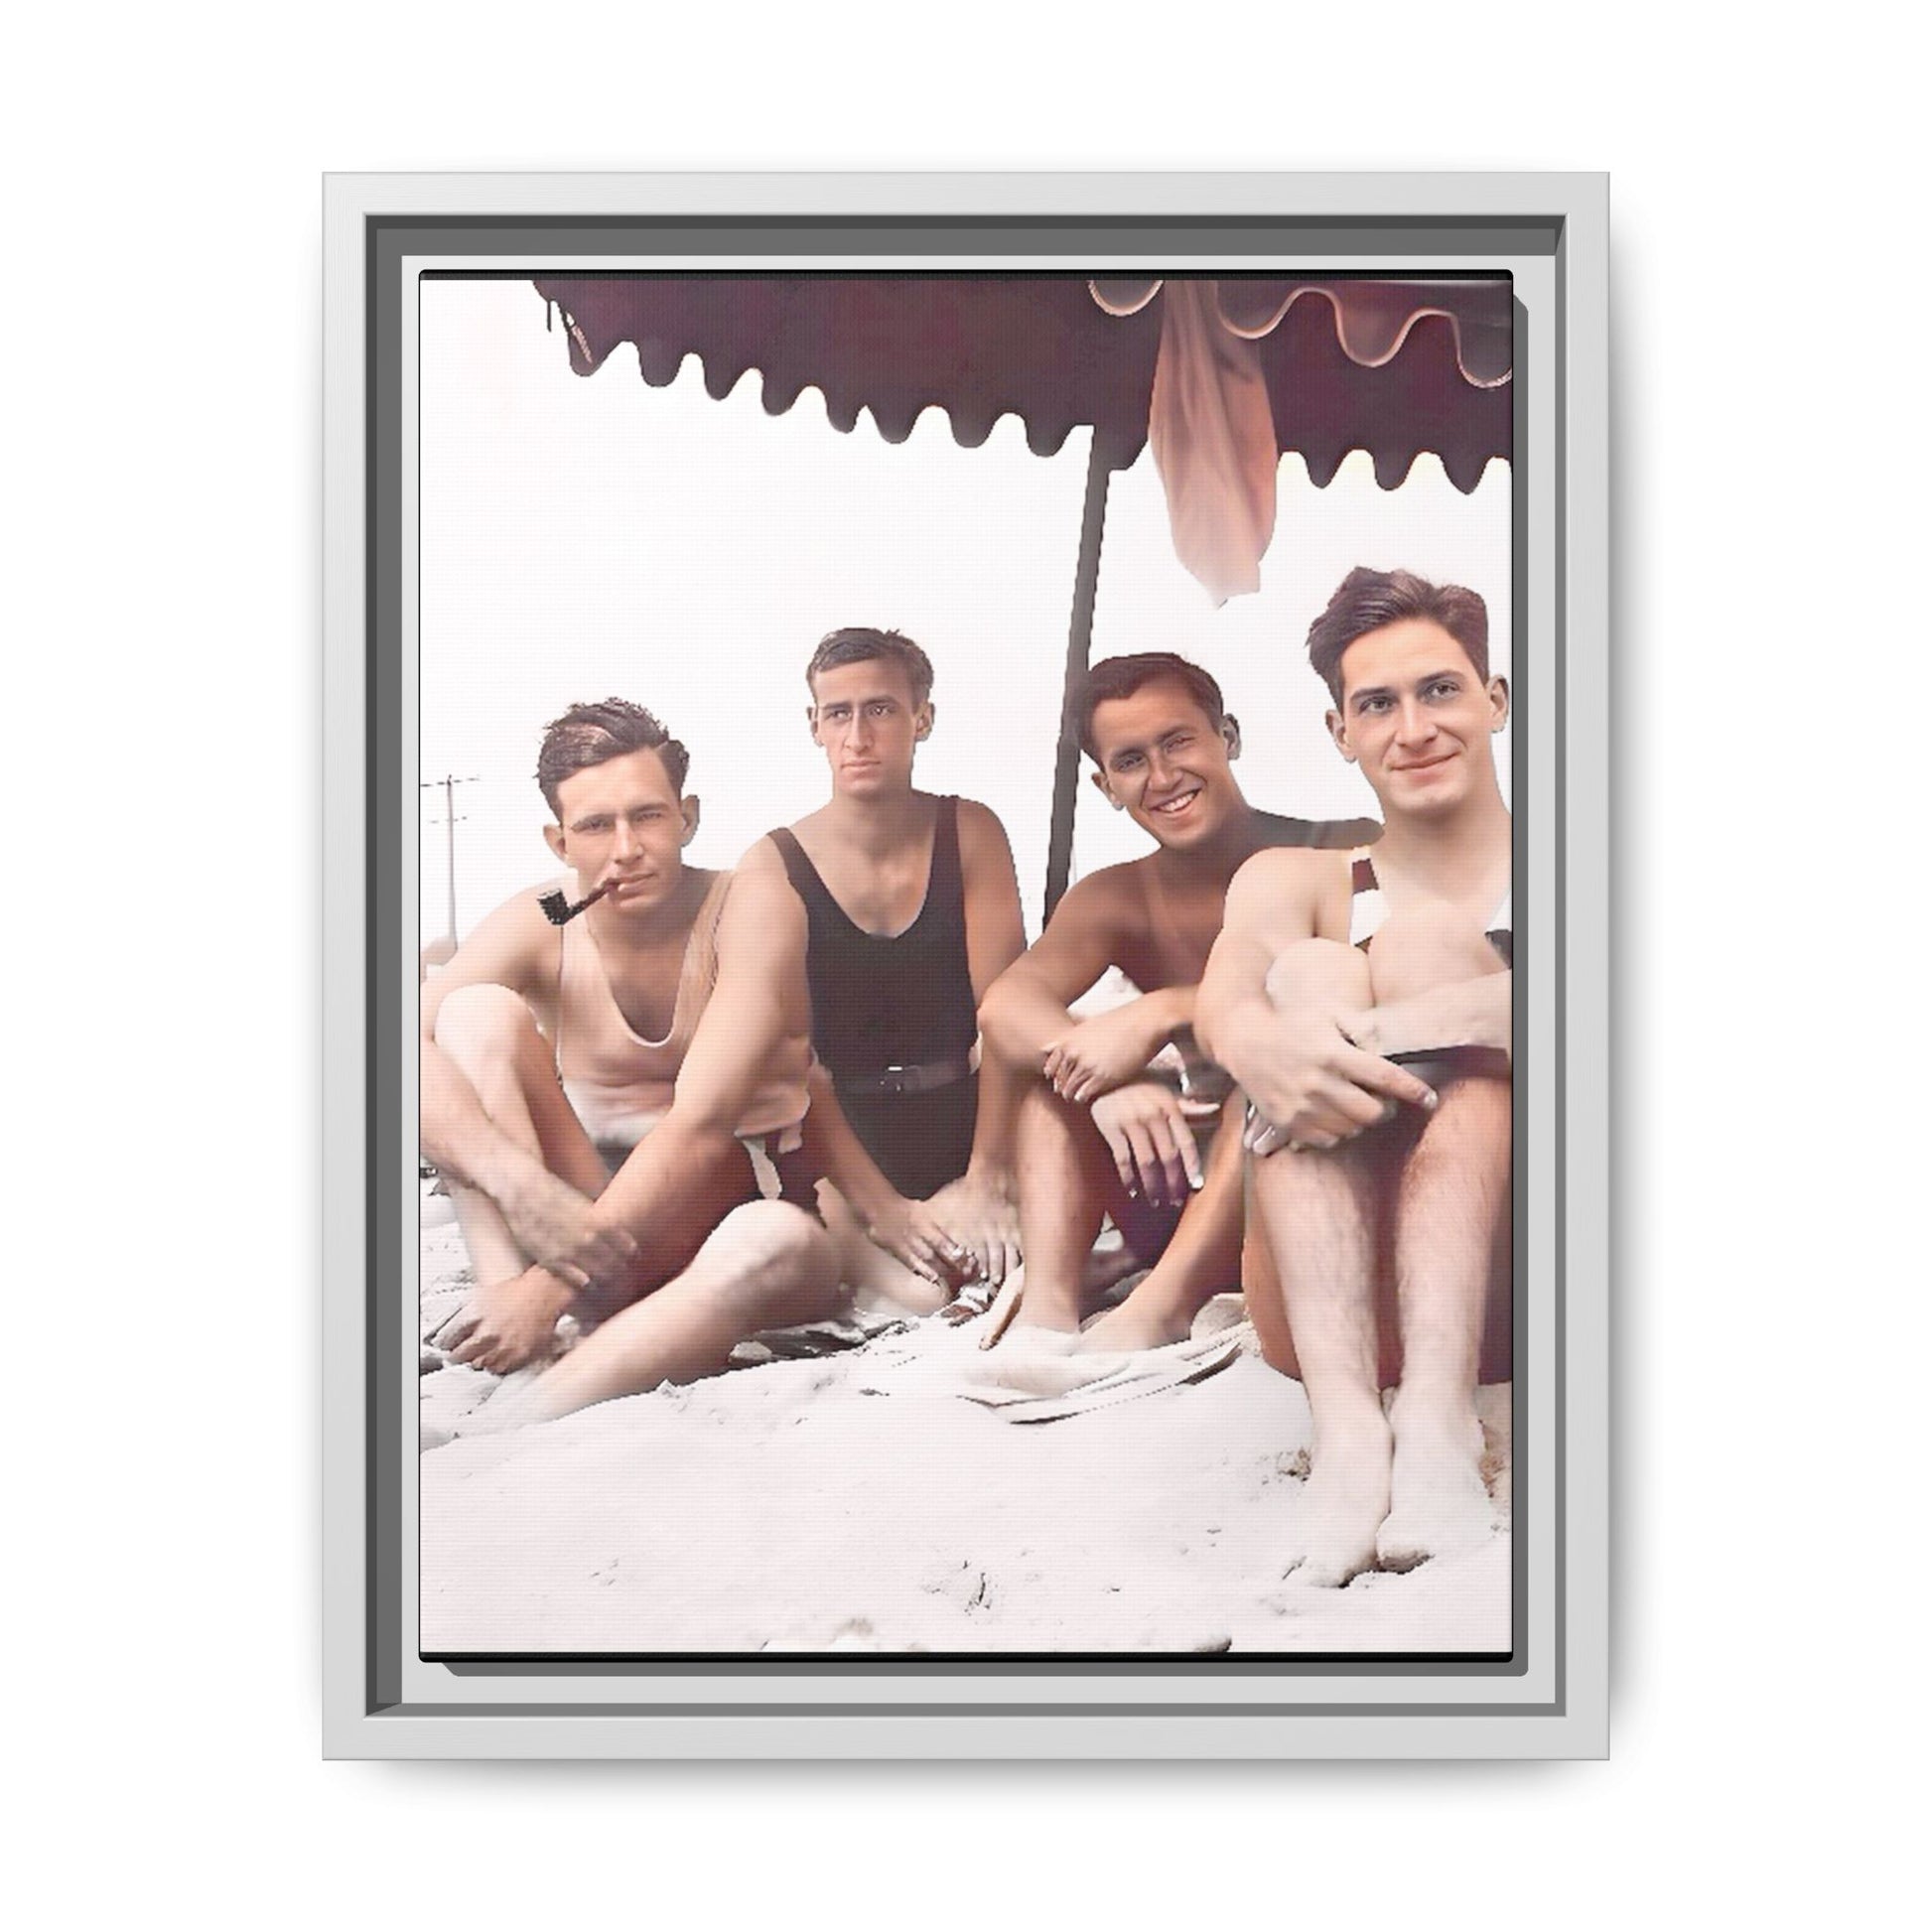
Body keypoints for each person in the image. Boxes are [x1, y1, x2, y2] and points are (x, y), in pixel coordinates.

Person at [417, 698, 933, 1430]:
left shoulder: (747, 905)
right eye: (596, 826)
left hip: (731, 1231)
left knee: (774, 1241)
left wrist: (549, 1288)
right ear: (558, 839)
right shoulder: (544, 919)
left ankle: (503, 1423)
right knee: (470, 1016)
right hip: (576, 1226)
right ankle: (510, 1328)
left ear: (687, 816)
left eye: (648, 816)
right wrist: (520, 1189)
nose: (626, 848)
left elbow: (702, 1124)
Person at [1195, 568, 1513, 1587]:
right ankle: (1348, 1433)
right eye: (1375, 703)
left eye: (1438, 690)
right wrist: (1271, 1041)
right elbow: (1226, 1003)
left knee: (1418, 947)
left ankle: (1434, 1417)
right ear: (1340, 730)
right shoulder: (1295, 877)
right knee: (1307, 969)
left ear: (1493, 699)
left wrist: (1377, 1033)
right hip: (1321, 1296)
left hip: (1517, 1283)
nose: (1411, 726)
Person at [978, 651, 1376, 1346]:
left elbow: (1378, 990)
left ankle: (1162, 1309)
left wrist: (1163, 1009)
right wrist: (1109, 1087)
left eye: (1178, 741)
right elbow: (1006, 1006)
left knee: (1251, 1084)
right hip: (1169, 1172)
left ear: (1229, 736)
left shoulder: (1339, 850)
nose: (1162, 778)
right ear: (1105, 786)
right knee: (1055, 1088)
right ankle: (1048, 1311)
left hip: (1302, 1161)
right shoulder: (1117, 895)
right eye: (1131, 761)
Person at [738, 626, 1028, 1290]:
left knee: (999, 1268)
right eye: (838, 713)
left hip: (966, 1114)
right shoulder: (773, 861)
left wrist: (987, 1176)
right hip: (842, 1139)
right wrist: (884, 1209)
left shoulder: (970, 829)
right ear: (813, 725)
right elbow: (791, 1058)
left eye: (881, 710)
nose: (858, 737)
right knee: (914, 1299)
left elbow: (1007, 1016)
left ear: (922, 718)